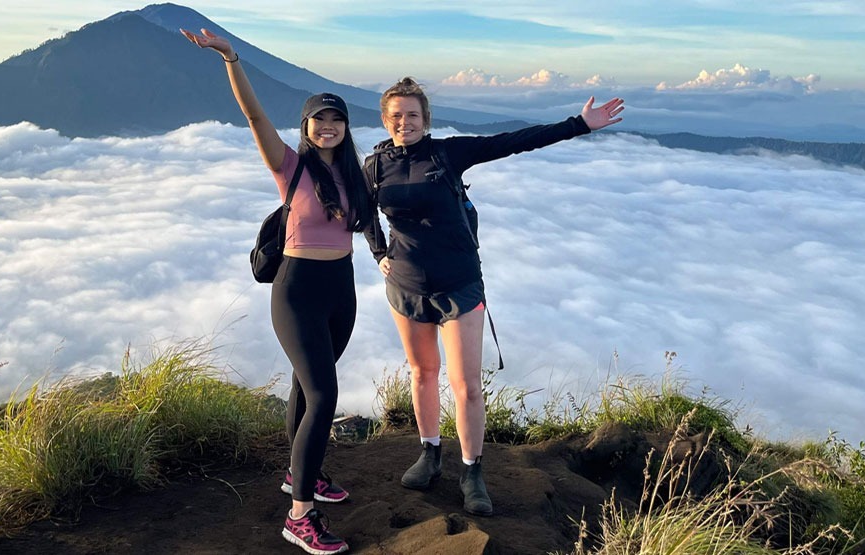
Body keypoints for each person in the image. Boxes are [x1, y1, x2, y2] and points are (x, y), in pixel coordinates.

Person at [363, 77, 624, 516]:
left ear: (425, 119)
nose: (403, 122)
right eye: (395, 116)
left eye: (411, 115)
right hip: (405, 286)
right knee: (422, 372)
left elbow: (514, 141)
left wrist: (578, 124)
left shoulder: (449, 153)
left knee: (466, 386)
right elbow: (359, 208)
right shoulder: (374, 165)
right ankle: (430, 454)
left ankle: (472, 471)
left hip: (459, 285)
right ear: (386, 121)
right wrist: (378, 253)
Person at [180, 28, 373, 555]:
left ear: (345, 127)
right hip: (296, 290)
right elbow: (254, 116)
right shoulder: (290, 166)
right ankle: (300, 515)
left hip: (342, 287)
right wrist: (231, 59)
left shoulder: (356, 175)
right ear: (307, 127)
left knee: (302, 386)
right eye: (319, 119)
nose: (328, 126)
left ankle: (299, 476)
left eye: (337, 119)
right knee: (324, 394)